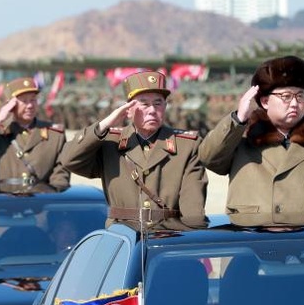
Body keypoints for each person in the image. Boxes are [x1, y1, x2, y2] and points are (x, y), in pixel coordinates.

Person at [198, 55, 304, 224]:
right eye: (286, 96)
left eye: (300, 96)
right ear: (265, 101)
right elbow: (208, 157)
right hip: (253, 235)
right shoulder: (241, 137)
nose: (295, 104)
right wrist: (238, 120)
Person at [59, 71, 208, 229]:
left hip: (168, 237)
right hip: (123, 237)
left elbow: (193, 210)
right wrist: (103, 125)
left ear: (165, 107)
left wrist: (192, 243)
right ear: (128, 109)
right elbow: (69, 159)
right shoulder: (110, 142)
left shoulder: (186, 146)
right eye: (144, 104)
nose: (152, 110)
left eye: (158, 103)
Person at [0, 77, 70, 191]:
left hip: (41, 202)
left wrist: (52, 194)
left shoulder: (54, 134)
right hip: (4, 201)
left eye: (33, 100)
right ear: (10, 104)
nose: (30, 105)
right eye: (24, 101)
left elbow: (61, 171)